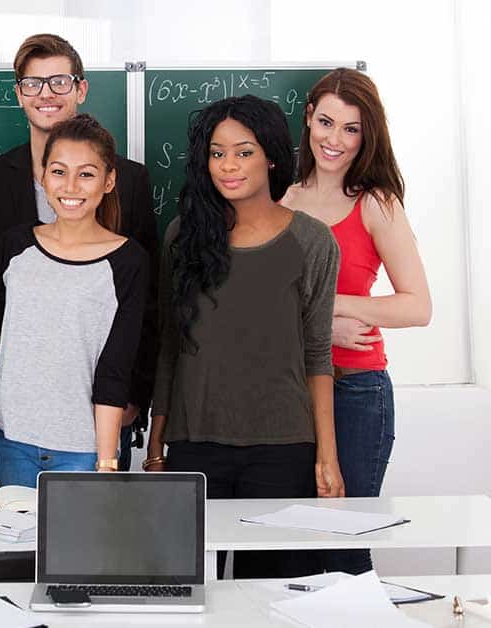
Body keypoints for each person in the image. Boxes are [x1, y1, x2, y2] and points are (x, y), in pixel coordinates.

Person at [146, 95, 345, 579]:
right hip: (194, 445)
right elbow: (170, 346)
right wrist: (155, 448)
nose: (228, 166)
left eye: (243, 151)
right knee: (188, 589)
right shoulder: (182, 237)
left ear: (271, 155)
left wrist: (327, 456)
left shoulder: (313, 241)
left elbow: (318, 354)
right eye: (217, 153)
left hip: (282, 448)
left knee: (270, 593)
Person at [0, 33, 157, 470]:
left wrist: (133, 398)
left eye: (59, 82)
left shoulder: (132, 181)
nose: (45, 94)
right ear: (19, 93)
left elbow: (147, 309)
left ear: (81, 88)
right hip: (9, 421)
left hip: (92, 419)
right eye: (33, 84)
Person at [282, 68, 431, 575]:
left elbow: (417, 306)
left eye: (351, 129)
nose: (335, 140)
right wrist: (323, 323)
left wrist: (337, 305)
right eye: (326, 122)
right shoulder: (283, 200)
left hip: (356, 393)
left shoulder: (375, 203)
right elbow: (261, 308)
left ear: (367, 134)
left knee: (341, 545)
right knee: (289, 548)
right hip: (288, 391)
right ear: (308, 118)